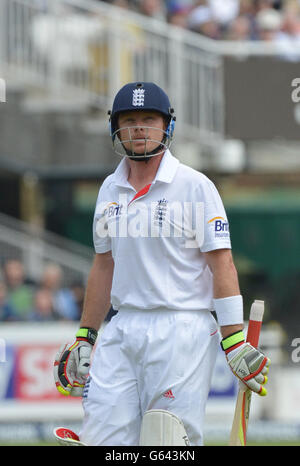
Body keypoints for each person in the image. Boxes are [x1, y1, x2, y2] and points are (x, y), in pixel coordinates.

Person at [54, 82, 270, 446]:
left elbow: (223, 264)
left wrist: (233, 339)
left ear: (167, 125)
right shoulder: (109, 189)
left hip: (181, 328)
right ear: (116, 128)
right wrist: (85, 336)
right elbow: (103, 266)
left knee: (167, 441)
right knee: (103, 439)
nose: (139, 128)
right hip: (123, 328)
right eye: (130, 120)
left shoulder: (195, 186)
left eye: (148, 119)